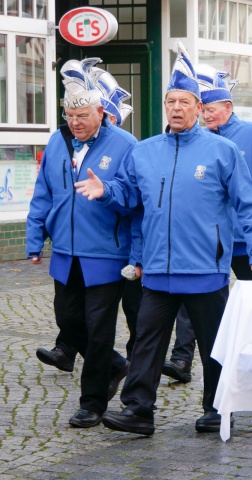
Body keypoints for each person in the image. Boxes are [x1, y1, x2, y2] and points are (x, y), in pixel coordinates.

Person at [75, 41, 252, 435]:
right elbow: (129, 196)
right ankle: (138, 411)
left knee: (213, 343)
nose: (177, 108)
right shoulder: (145, 151)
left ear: (199, 107)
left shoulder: (223, 150)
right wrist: (107, 190)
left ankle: (218, 409)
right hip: (157, 269)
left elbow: (249, 204)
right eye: (171, 101)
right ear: (165, 106)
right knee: (146, 341)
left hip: (205, 268)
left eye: (185, 101)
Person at [160, 64, 252, 383]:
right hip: (208, 240)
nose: (206, 115)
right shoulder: (195, 139)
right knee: (191, 298)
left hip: (245, 239)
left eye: (211, 110)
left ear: (228, 107)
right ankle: (181, 360)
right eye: (203, 110)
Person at [26, 58, 137, 428]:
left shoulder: (125, 145)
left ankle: (92, 403)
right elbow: (43, 192)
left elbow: (134, 199)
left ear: (101, 112)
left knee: (99, 328)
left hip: (107, 253)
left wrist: (106, 191)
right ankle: (115, 365)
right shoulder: (57, 141)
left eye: (83, 116)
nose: (75, 123)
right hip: (65, 252)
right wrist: (35, 237)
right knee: (68, 320)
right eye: (70, 116)